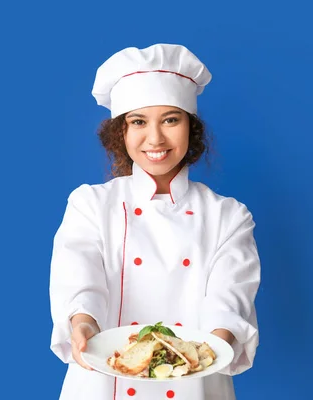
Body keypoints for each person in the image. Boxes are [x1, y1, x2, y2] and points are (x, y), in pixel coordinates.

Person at [49, 43, 261, 400]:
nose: (155, 138)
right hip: (102, 386)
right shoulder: (90, 204)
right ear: (122, 133)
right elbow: (79, 282)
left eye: (170, 119)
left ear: (191, 127)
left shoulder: (228, 216)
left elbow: (228, 302)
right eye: (138, 122)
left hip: (196, 387)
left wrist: (210, 349)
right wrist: (82, 324)